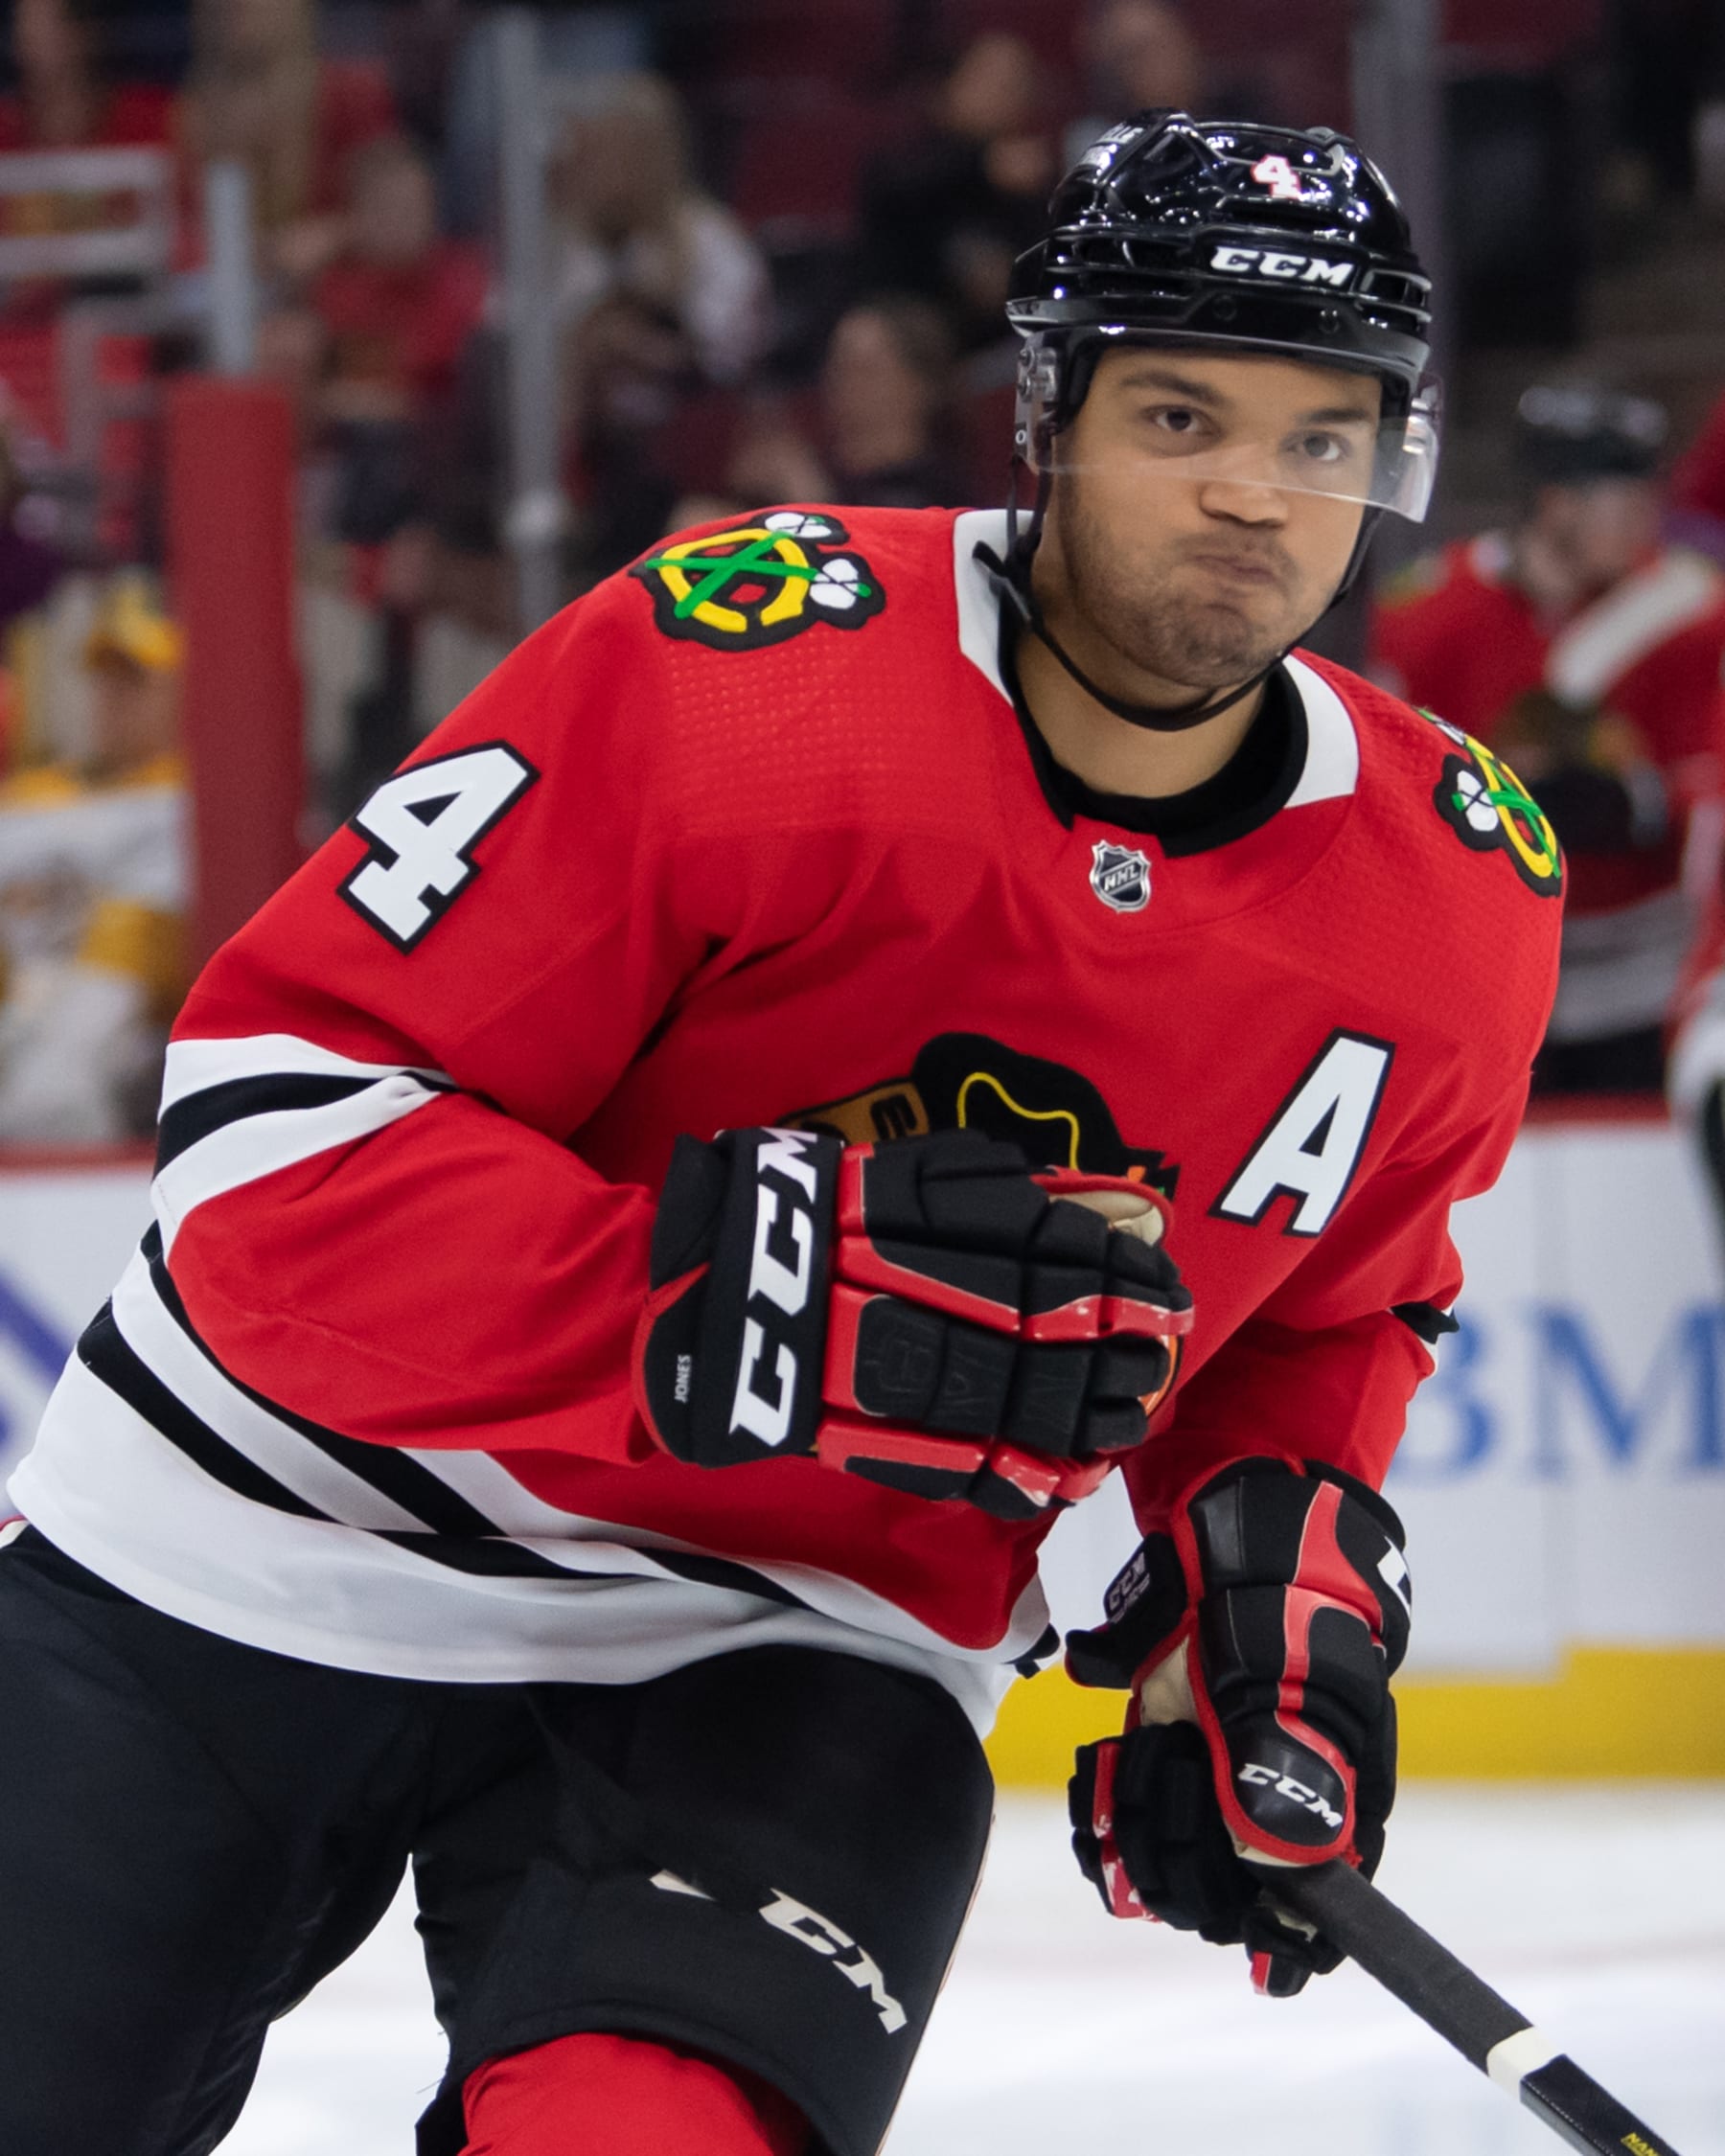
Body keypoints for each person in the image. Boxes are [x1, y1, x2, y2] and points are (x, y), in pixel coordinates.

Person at [0, 114, 1558, 2156]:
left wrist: (1252, 1601)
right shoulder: (745, 670)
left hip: (793, 1640)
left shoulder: (1454, 897)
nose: (1255, 495)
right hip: (265, 1528)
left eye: (1323, 437)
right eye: (1184, 411)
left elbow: (1314, 1324)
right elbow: (272, 1135)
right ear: (1051, 415)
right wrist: (720, 1303)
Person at [1370, 383, 1725, 1093]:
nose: (1647, 524)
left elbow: (1707, 780)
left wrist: (1641, 806)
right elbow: (1386, 781)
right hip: (1485, 975)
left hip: (1641, 982)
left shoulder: (1693, 612)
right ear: (1558, 503)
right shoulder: (1431, 612)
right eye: (1625, 503)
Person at [0, 572, 184, 1142]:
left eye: (134, 682)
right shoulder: (32, 793)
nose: (112, 700)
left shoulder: (191, 794)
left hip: (118, 1035)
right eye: (103, 682)